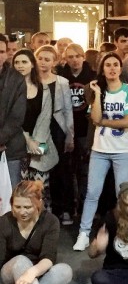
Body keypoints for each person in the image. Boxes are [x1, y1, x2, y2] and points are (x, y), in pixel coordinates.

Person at [73, 53, 128, 251]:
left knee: (124, 194)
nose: (112, 68)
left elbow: (126, 122)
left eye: (115, 65)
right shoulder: (99, 91)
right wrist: (96, 95)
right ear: (102, 69)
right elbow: (94, 118)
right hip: (99, 150)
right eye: (108, 65)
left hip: (123, 151)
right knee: (92, 193)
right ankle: (84, 233)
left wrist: (102, 121)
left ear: (121, 68)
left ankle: (124, 232)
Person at [0, 180, 72, 284]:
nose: (22, 212)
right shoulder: (4, 221)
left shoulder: (50, 221)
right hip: (10, 279)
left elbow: (49, 256)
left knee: (65, 271)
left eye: (28, 207)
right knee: (21, 261)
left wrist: (31, 273)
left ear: (38, 204)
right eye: (17, 207)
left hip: (35, 276)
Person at [35, 45, 74, 223]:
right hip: (38, 130)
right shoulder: (30, 80)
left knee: (61, 168)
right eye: (40, 58)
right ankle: (43, 206)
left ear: (54, 62)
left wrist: (70, 135)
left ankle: (63, 208)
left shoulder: (62, 82)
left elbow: (67, 110)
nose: (43, 62)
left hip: (58, 129)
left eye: (47, 59)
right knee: (40, 167)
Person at [14, 49, 58, 207]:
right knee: (21, 189)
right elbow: (12, 119)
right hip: (17, 143)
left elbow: (45, 118)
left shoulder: (44, 89)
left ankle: (44, 224)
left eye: (24, 62)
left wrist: (36, 142)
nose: (20, 66)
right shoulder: (9, 90)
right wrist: (27, 140)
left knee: (40, 189)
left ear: (32, 64)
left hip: (40, 144)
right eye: (17, 62)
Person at [57, 43, 96, 219]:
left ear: (83, 57)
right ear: (66, 59)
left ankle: (83, 207)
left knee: (85, 171)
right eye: (70, 57)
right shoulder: (61, 77)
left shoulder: (92, 76)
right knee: (66, 170)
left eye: (77, 56)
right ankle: (67, 206)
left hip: (86, 131)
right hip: (66, 129)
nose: (74, 60)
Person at [0, 36, 27, 188]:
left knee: (12, 197)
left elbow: (17, 116)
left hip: (10, 148)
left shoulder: (17, 79)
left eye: (2, 51)